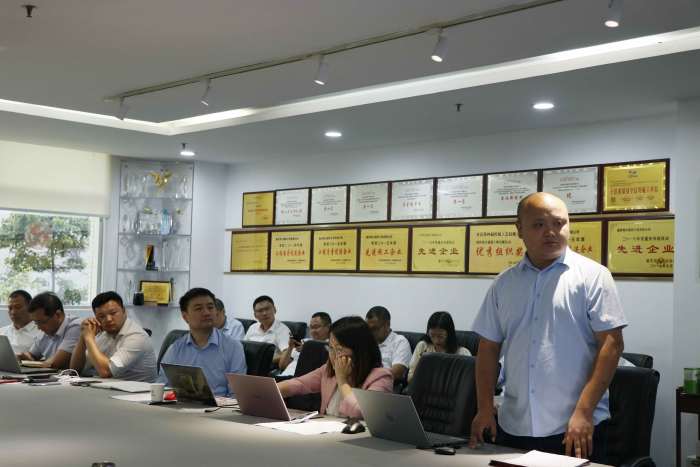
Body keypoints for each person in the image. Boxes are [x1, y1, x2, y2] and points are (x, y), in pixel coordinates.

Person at [469, 192, 626, 463]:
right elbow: (488, 348)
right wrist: (484, 408)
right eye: (539, 224)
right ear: (519, 229)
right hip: (513, 424)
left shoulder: (593, 277)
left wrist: (584, 411)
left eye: (559, 223)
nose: (551, 232)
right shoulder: (504, 284)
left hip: (574, 427)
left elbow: (612, 345)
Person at [278, 316, 393, 418]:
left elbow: (360, 412)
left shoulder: (381, 377)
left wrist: (342, 381)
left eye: (339, 349)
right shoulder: (328, 369)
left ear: (359, 350)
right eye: (331, 348)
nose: (333, 356)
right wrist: (272, 390)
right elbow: (300, 384)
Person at [159, 288, 247, 396]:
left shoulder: (233, 348)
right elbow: (163, 386)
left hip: (219, 406)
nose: (206, 313)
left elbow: (236, 394)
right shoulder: (176, 349)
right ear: (185, 317)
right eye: (199, 309)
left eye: (210, 307)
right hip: (182, 404)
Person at [70, 291, 157, 382]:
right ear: (96, 318)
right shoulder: (103, 334)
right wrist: (83, 336)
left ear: (124, 311)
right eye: (101, 316)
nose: (108, 319)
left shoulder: (137, 336)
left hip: (135, 390)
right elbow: (74, 370)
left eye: (113, 313)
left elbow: (106, 371)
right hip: (106, 387)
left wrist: (89, 338)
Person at [16, 292, 81, 369]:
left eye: (42, 322)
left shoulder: (76, 326)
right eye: (36, 323)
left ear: (58, 315)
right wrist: (23, 357)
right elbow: (32, 355)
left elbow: (55, 363)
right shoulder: (45, 330)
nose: (39, 328)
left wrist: (37, 363)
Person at [407, 311, 470, 382]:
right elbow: (410, 378)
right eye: (432, 335)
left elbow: (467, 381)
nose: (436, 341)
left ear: (449, 334)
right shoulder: (423, 346)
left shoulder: (462, 353)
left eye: (440, 336)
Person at [365, 306, 411, 381]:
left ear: (387, 325)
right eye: (368, 329)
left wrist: (370, 377)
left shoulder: (400, 341)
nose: (370, 333)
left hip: (386, 384)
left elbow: (397, 373)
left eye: (374, 329)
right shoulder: (366, 342)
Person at [278, 311, 331, 377]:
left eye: (316, 327)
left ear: (328, 327)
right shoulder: (303, 342)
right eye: (311, 327)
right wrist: (290, 348)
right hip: (284, 376)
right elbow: (282, 366)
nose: (313, 331)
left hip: (300, 379)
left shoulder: (331, 346)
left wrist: (307, 350)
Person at [244, 295, 291, 366]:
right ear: (255, 315)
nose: (264, 313)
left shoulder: (283, 330)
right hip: (248, 364)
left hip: (268, 367)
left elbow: (286, 354)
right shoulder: (252, 328)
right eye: (260, 311)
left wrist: (264, 359)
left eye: (267, 309)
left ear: (274, 310)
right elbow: (243, 348)